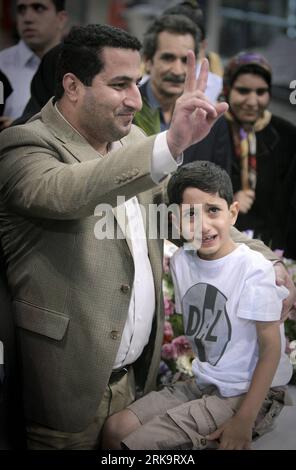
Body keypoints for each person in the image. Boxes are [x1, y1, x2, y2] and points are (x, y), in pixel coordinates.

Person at [0, 24, 294, 450]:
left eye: (136, 84)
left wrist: (266, 258)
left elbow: (189, 219)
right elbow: (70, 192)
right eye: (119, 85)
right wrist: (171, 143)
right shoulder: (23, 147)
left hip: (136, 381)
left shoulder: (132, 140)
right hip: (64, 394)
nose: (136, 100)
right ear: (73, 86)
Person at [102, 161, 292, 450]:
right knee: (116, 429)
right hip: (205, 381)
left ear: (233, 213)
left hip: (250, 392)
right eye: (190, 214)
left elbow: (271, 349)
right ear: (175, 221)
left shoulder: (253, 269)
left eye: (213, 210)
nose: (202, 225)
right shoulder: (181, 262)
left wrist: (243, 419)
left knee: (137, 445)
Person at [134, 14, 232, 173]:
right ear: (148, 61)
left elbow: (219, 189)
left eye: (186, 61)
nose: (177, 70)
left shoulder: (211, 120)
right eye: (168, 58)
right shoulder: (125, 110)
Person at [221, 52, 296, 255]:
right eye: (243, 91)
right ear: (227, 89)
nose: (252, 101)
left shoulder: (287, 136)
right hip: (220, 247)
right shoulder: (211, 130)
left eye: (261, 92)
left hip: (275, 251)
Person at [0, 0, 67, 128]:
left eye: (39, 8)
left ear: (61, 18)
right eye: (21, 10)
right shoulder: (1, 66)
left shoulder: (80, 68)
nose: (27, 18)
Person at [163, 0, 223, 101]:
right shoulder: (139, 87)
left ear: (203, 45)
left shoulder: (219, 90)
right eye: (168, 57)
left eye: (185, 59)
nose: (177, 70)